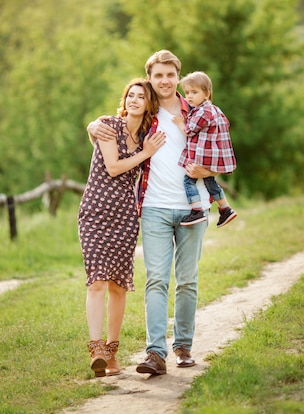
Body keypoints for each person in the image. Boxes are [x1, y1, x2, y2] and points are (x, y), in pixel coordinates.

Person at [88, 50, 218, 375]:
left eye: (170, 75)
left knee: (187, 280)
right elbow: (115, 125)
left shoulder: (199, 110)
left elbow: (222, 149)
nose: (164, 81)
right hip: (155, 207)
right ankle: (155, 354)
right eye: (158, 75)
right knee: (156, 280)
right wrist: (93, 126)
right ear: (150, 78)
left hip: (193, 207)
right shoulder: (145, 112)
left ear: (178, 76)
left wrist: (208, 168)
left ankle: (183, 346)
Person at [78, 78, 165, 377]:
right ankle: (96, 349)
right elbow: (114, 166)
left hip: (126, 217)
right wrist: (145, 154)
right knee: (97, 281)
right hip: (95, 212)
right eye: (130, 94)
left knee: (118, 286)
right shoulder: (107, 125)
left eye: (141, 96)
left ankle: (112, 353)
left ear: (148, 104)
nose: (134, 100)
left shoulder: (147, 137)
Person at [173, 71, 237, 228]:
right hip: (212, 155)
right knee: (210, 181)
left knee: (188, 180)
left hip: (202, 156)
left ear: (207, 93)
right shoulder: (215, 110)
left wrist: (180, 122)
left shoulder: (203, 111)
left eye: (194, 92)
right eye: (187, 92)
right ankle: (225, 208)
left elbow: (189, 130)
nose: (189, 96)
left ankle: (196, 210)